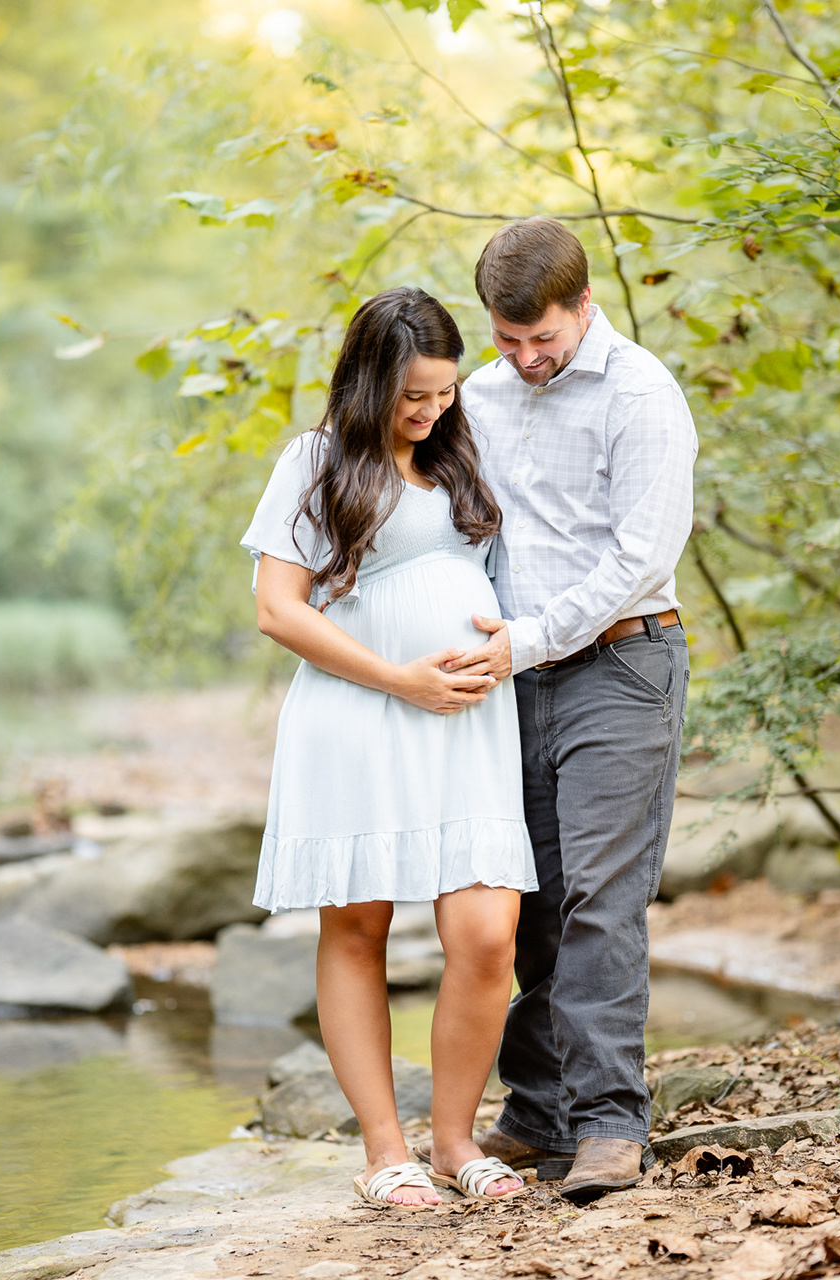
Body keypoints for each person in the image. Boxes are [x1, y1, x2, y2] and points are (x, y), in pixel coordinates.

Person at [241, 286, 538, 1208]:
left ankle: (456, 1140)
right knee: (358, 925)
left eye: (444, 393)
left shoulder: (462, 452)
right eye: (413, 395)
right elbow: (276, 609)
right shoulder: (316, 460)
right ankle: (385, 1150)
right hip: (358, 714)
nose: (430, 410)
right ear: (368, 381)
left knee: (487, 935)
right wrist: (398, 677)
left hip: (466, 724)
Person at [441, 218, 698, 1203]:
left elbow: (637, 559)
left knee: (600, 895)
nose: (526, 357)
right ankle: (539, 1109)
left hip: (620, 667)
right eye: (507, 340)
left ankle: (607, 1123)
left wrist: (529, 638)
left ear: (584, 304)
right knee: (532, 897)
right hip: (515, 677)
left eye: (542, 337)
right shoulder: (486, 397)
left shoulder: (642, 396)